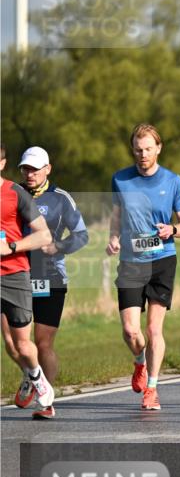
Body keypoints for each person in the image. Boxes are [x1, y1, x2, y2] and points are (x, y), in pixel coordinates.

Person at [107, 124, 180, 411]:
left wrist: (173, 229)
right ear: (133, 150)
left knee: (154, 329)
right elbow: (117, 216)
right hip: (130, 262)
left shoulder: (174, 181)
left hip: (162, 260)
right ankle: (140, 362)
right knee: (131, 331)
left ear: (158, 148)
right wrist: (113, 239)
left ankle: (152, 389)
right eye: (138, 149)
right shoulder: (121, 179)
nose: (143, 154)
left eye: (148, 149)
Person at [19, 147, 89, 417]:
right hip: (17, 274)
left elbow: (82, 235)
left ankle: (46, 402)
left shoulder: (60, 199)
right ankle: (32, 375)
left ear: (48, 169)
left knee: (43, 342)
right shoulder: (14, 194)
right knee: (17, 342)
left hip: (50, 276)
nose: (30, 174)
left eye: (35, 169)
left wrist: (57, 246)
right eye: (26, 168)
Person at [1, 146, 55, 418]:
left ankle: (36, 376)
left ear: (2, 163)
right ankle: (31, 377)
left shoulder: (15, 193)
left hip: (13, 273)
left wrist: (11, 247)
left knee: (22, 344)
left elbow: (44, 236)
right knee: (9, 344)